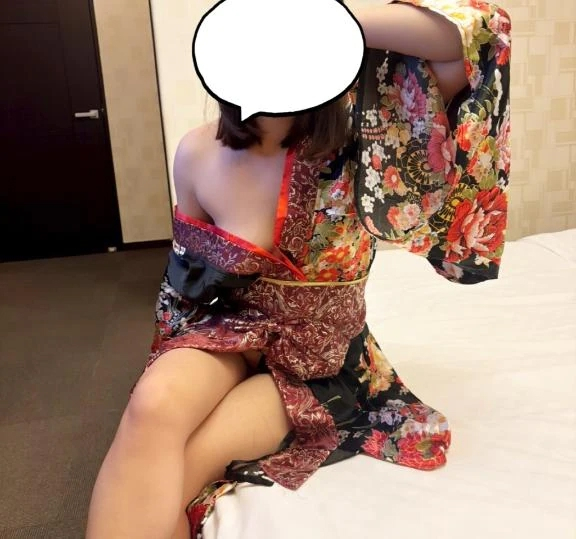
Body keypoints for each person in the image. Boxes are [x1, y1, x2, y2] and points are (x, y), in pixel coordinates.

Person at [85, 1, 511, 538]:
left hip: (319, 358)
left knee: (190, 462)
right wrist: (166, 358)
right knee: (151, 408)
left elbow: (477, 34)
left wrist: (322, 19)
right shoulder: (196, 151)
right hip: (229, 332)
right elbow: (186, 281)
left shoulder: (368, 147)